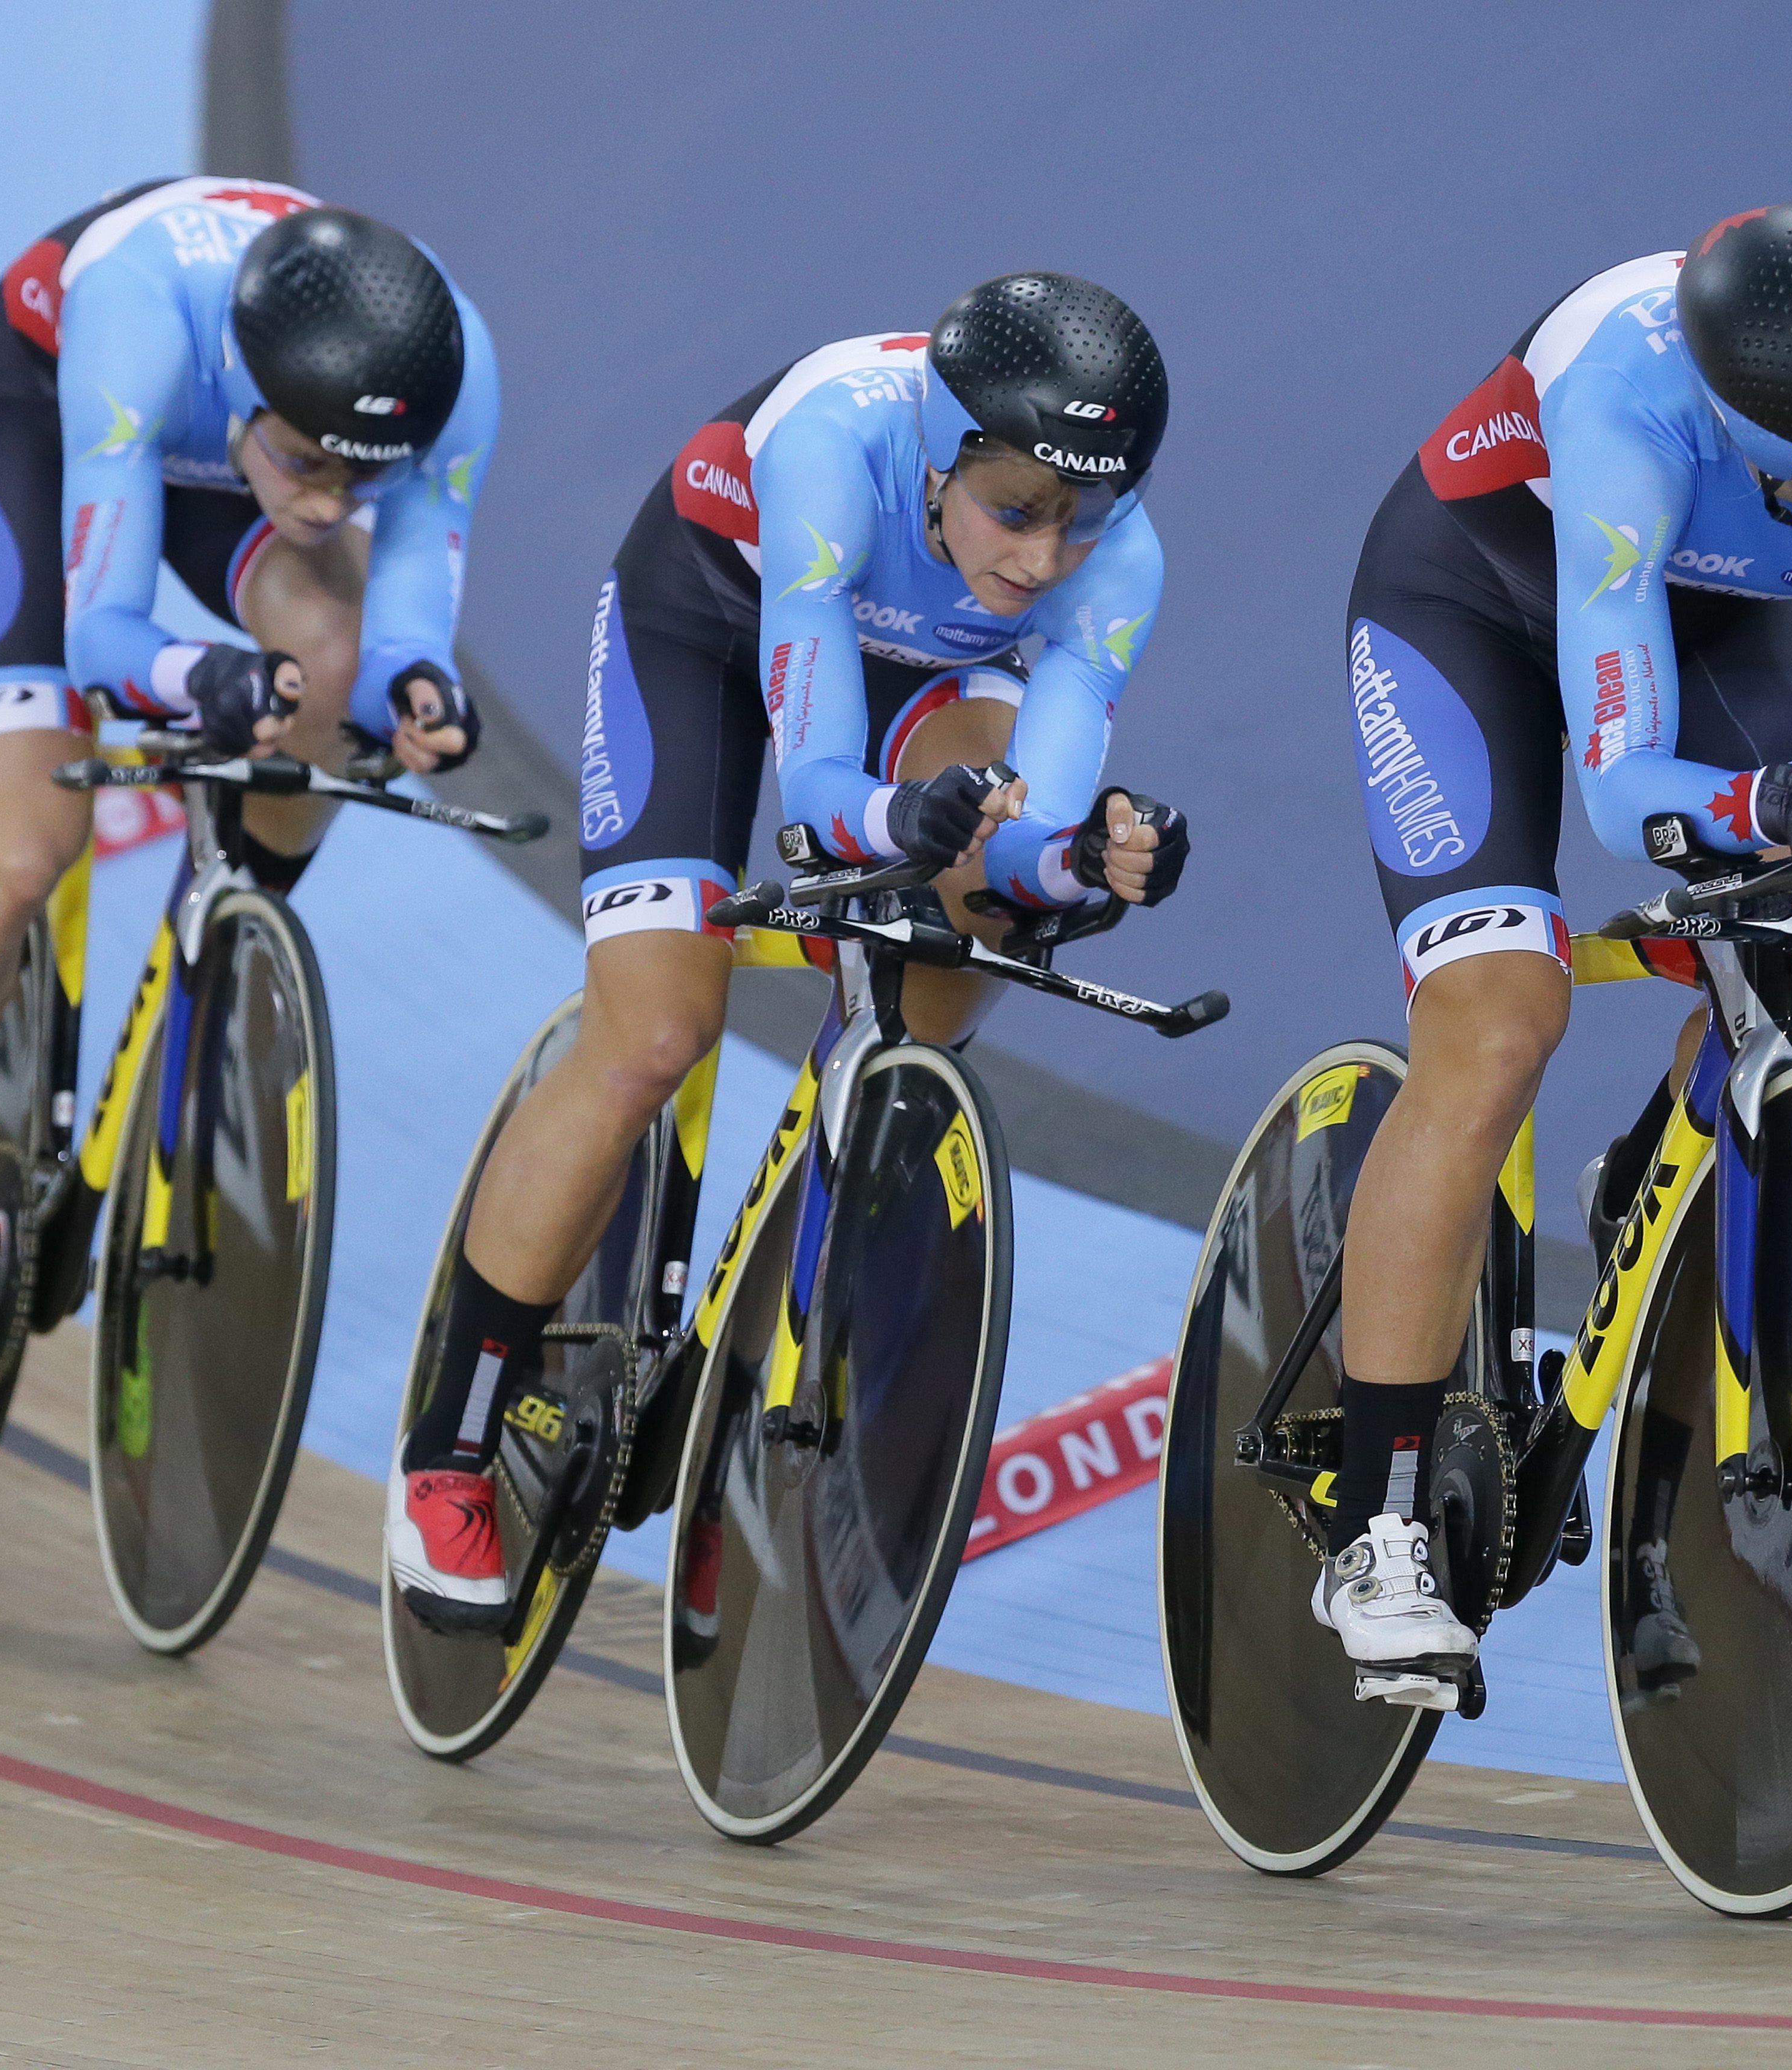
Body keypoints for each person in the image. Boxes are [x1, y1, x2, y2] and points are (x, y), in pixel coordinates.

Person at [1323, 203, 1792, 1706]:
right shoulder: (1628, 409)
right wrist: (1765, 803)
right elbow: (1628, 793)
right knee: (1499, 1023)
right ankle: (1378, 1523)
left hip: (1720, 615)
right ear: (1762, 450)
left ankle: (1664, 1168)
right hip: (1470, 600)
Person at [386, 273, 1193, 1630]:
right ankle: (449, 1451)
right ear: (937, 460)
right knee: (651, 1035)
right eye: (1015, 510)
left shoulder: (1120, 565)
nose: (1046, 559)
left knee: (959, 949)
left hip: (923, 673)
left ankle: (789, 1314)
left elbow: (1029, 836)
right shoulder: (832, 445)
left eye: (1083, 519)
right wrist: (903, 822)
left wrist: (1088, 862)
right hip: (706, 624)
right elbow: (820, 792)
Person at [0, 178, 498, 1449]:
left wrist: (419, 691)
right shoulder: (136, 318)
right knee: (20, 850)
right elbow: (105, 638)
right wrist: (202, 678)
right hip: (51, 420)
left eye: (363, 475)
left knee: (335, 665)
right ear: (246, 386)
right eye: (308, 466)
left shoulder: (450, 373)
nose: (327, 504)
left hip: (219, 454)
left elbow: (406, 607)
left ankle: (221, 930)